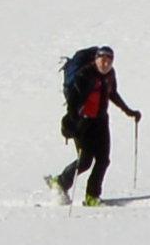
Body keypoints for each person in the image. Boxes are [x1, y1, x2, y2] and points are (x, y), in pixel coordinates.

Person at [49, 43, 139, 207]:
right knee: (85, 161)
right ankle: (60, 182)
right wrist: (71, 122)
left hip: (101, 121)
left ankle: (92, 196)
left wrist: (129, 111)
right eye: (102, 60)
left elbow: (112, 94)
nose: (105, 64)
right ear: (96, 60)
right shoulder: (85, 75)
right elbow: (73, 102)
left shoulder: (110, 74)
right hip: (83, 122)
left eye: (109, 61)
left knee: (103, 160)